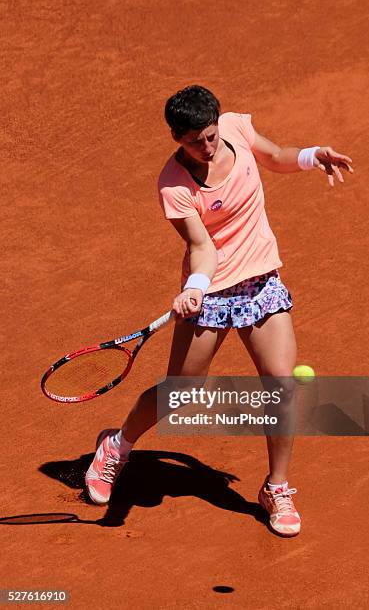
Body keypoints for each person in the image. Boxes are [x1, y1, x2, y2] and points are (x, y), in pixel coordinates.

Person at [85, 85, 353, 537]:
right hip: (210, 291)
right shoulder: (174, 185)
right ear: (177, 138)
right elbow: (201, 246)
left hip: (261, 279)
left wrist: (311, 156)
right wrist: (195, 287)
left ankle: (277, 487)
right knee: (180, 392)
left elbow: (276, 155)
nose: (207, 147)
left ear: (218, 123)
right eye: (194, 141)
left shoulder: (236, 126)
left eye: (210, 135)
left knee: (281, 385)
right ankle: (117, 446)